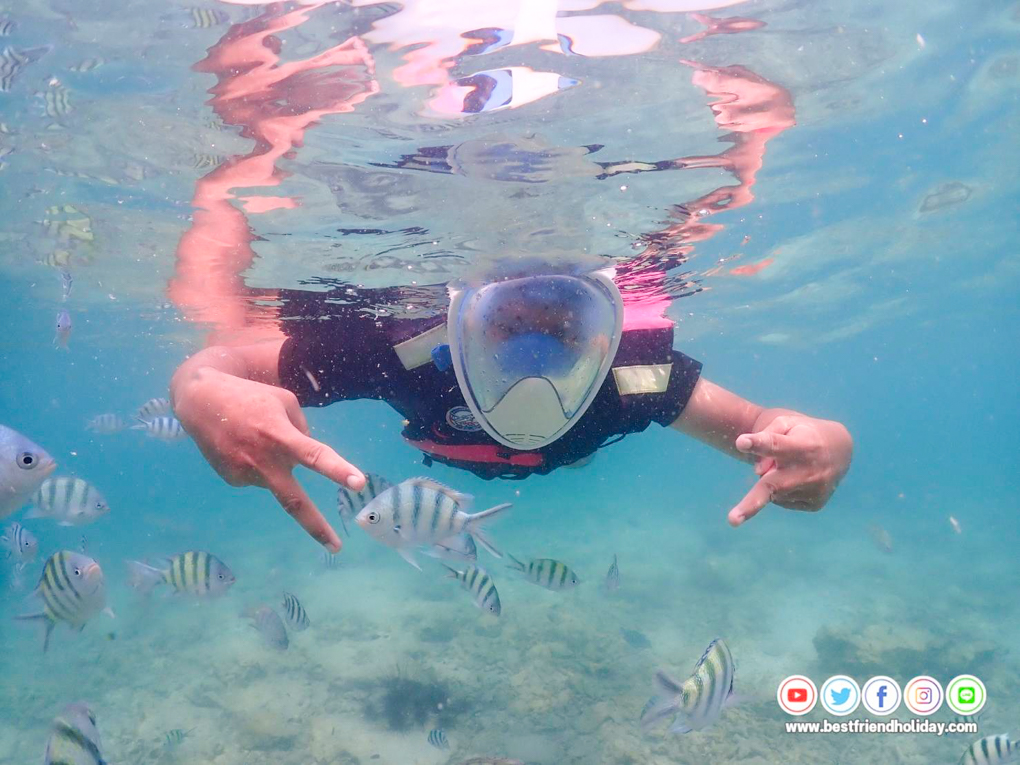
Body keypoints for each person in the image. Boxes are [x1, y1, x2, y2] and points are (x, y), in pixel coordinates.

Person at [169, 268, 853, 554]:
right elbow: (217, 365)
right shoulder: (401, 352)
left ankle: (573, 453)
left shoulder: (635, 378)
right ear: (457, 331)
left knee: (576, 453)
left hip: (562, 453)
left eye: (562, 332)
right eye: (506, 329)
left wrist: (827, 444)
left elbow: (763, 427)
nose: (534, 366)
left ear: (604, 340)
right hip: (442, 449)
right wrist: (201, 391)